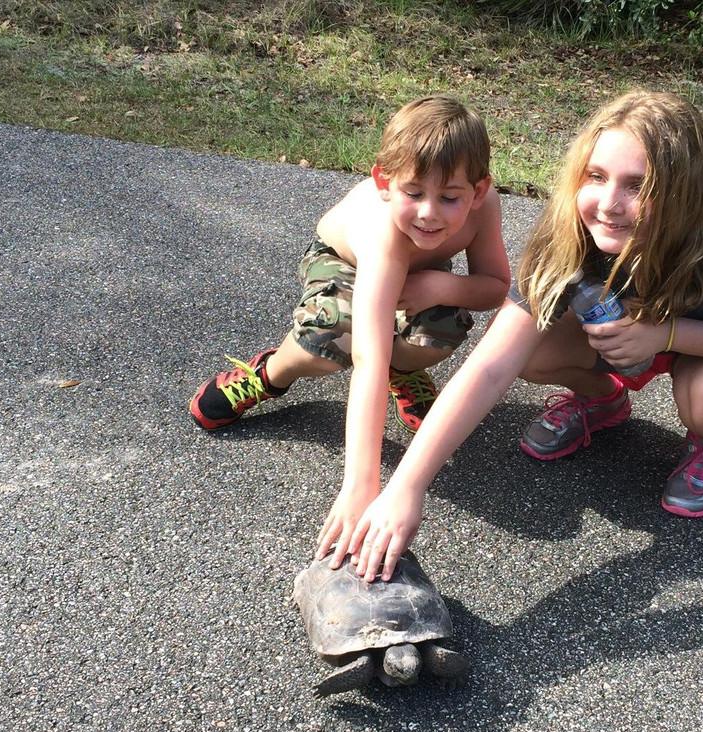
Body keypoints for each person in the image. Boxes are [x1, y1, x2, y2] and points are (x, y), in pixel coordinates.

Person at [319, 89, 703, 582]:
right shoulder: (572, 226)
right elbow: (489, 366)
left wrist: (666, 333)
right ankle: (602, 401)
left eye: (638, 186)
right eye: (596, 177)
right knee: (533, 348)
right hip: (624, 331)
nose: (609, 204)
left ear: (683, 189)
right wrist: (403, 487)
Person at [190, 96, 510, 542]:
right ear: (384, 181)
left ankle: (408, 370)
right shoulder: (385, 235)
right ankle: (270, 374)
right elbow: (368, 358)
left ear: (477, 192)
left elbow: (495, 284)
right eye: (413, 193)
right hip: (345, 265)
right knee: (331, 336)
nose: (429, 212)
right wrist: (362, 484)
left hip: (416, 277)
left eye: (449, 197)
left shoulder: (484, 205)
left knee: (440, 330)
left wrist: (440, 287)